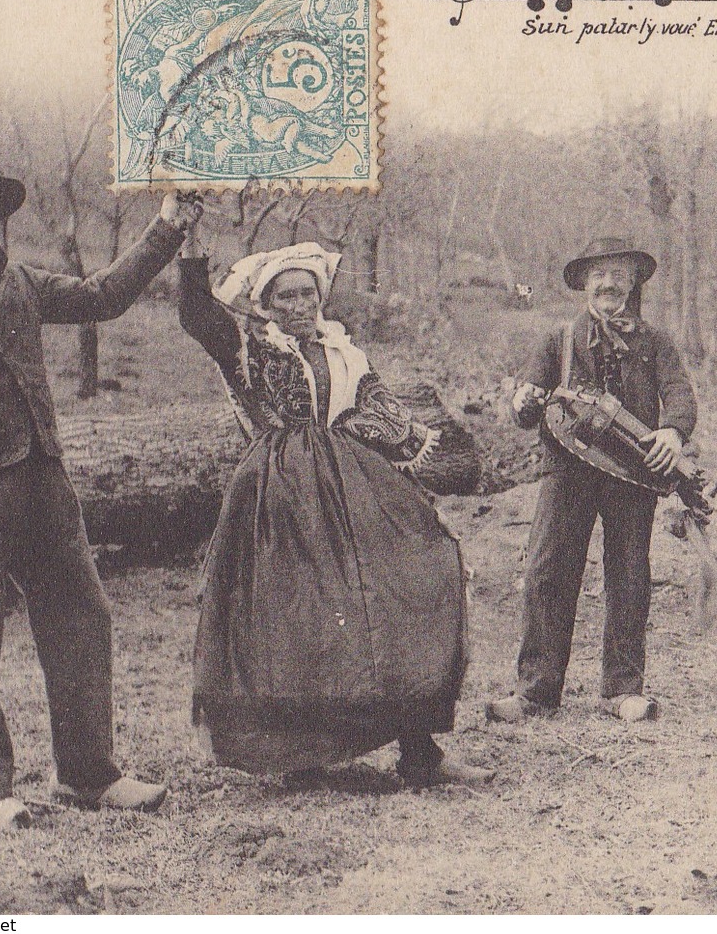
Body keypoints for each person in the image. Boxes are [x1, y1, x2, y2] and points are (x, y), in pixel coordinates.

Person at [0, 159, 199, 830]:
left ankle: (88, 773)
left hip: (44, 481)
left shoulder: (18, 278)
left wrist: (168, 226)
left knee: (83, 616)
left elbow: (102, 295)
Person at [176, 241, 495, 790]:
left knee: (408, 583)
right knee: (298, 615)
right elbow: (197, 315)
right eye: (285, 296)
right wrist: (189, 250)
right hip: (279, 493)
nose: (299, 305)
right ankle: (303, 757)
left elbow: (382, 409)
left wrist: (414, 460)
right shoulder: (251, 347)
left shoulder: (346, 352)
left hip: (354, 481)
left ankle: (421, 752)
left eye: (307, 293)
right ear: (266, 303)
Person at [486, 237, 698, 724]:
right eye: (600, 274)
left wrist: (673, 430)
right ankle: (535, 693)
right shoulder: (557, 341)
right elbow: (525, 404)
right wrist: (522, 402)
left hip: (632, 476)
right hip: (567, 470)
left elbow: (681, 394)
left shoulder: (656, 342)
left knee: (629, 576)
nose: (609, 283)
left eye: (620, 274)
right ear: (584, 282)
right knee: (548, 571)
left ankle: (622, 690)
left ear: (634, 283)